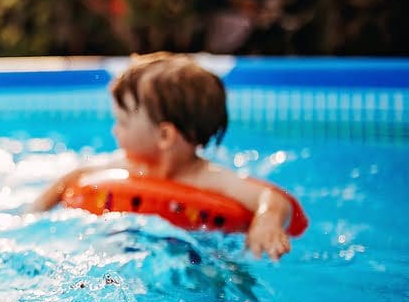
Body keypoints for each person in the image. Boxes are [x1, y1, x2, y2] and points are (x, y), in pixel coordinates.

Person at [29, 52, 297, 259]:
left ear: (165, 135)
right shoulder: (129, 166)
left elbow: (271, 198)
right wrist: (34, 214)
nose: (114, 130)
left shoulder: (207, 178)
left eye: (122, 122)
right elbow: (75, 176)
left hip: (199, 250)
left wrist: (267, 220)